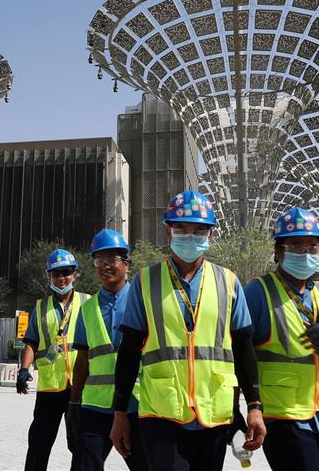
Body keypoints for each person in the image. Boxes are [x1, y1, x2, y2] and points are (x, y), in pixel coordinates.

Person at [110, 190, 266, 470]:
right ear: (168, 232)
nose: (190, 236)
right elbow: (129, 352)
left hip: (214, 414)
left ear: (210, 234)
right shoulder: (146, 282)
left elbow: (244, 350)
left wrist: (255, 407)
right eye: (181, 228)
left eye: (199, 230)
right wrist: (119, 413)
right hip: (162, 413)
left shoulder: (228, 282)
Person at [244, 208, 319, 471]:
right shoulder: (259, 291)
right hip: (282, 415)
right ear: (278, 251)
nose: (305, 253)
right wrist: (250, 408)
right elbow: (239, 350)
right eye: (296, 245)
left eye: (312, 246)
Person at [70, 229, 148, 471]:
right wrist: (73, 404)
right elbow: (82, 361)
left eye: (112, 259)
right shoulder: (87, 309)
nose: (105, 265)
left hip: (137, 404)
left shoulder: (144, 302)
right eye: (99, 260)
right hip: (95, 407)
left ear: (126, 264)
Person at [17, 248, 90, 471]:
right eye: (56, 273)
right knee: (39, 443)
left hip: (81, 386)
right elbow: (31, 341)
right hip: (50, 388)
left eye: (66, 272)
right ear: (49, 276)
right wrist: (24, 369)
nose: (61, 278)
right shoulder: (40, 307)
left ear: (75, 274)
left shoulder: (88, 303)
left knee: (81, 444)